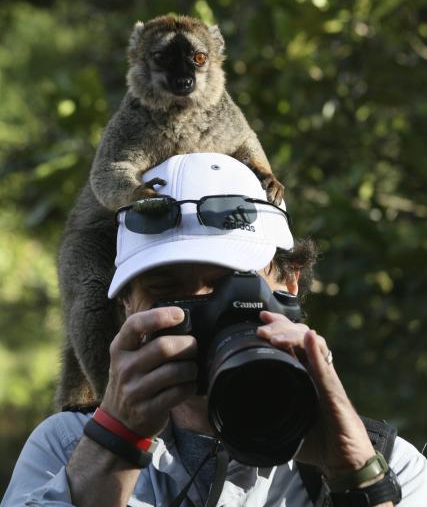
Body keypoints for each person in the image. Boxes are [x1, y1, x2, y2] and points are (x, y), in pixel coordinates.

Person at [2, 153, 426, 507]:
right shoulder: (67, 451)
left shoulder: (388, 464)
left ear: (289, 283)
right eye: (167, 293)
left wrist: (358, 481)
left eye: (229, 285)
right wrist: (114, 445)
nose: (205, 320)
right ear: (125, 307)